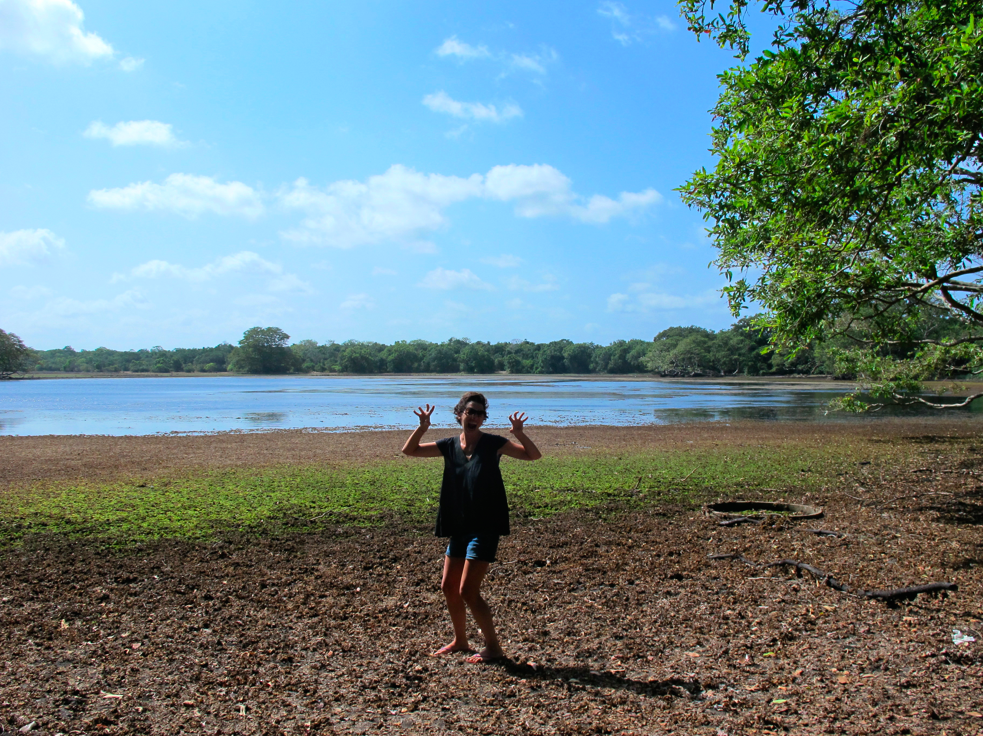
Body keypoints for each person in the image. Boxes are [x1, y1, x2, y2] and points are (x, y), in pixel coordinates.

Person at [401, 391, 542, 663]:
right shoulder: (449, 445)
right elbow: (410, 451)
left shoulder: (494, 444)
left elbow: (533, 456)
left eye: (479, 413)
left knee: (468, 590)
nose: (475, 416)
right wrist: (421, 428)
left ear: (483, 418)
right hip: (459, 525)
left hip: (486, 526)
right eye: (470, 411)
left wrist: (519, 433)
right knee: (448, 586)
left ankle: (493, 647)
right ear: (460, 415)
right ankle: (461, 640)